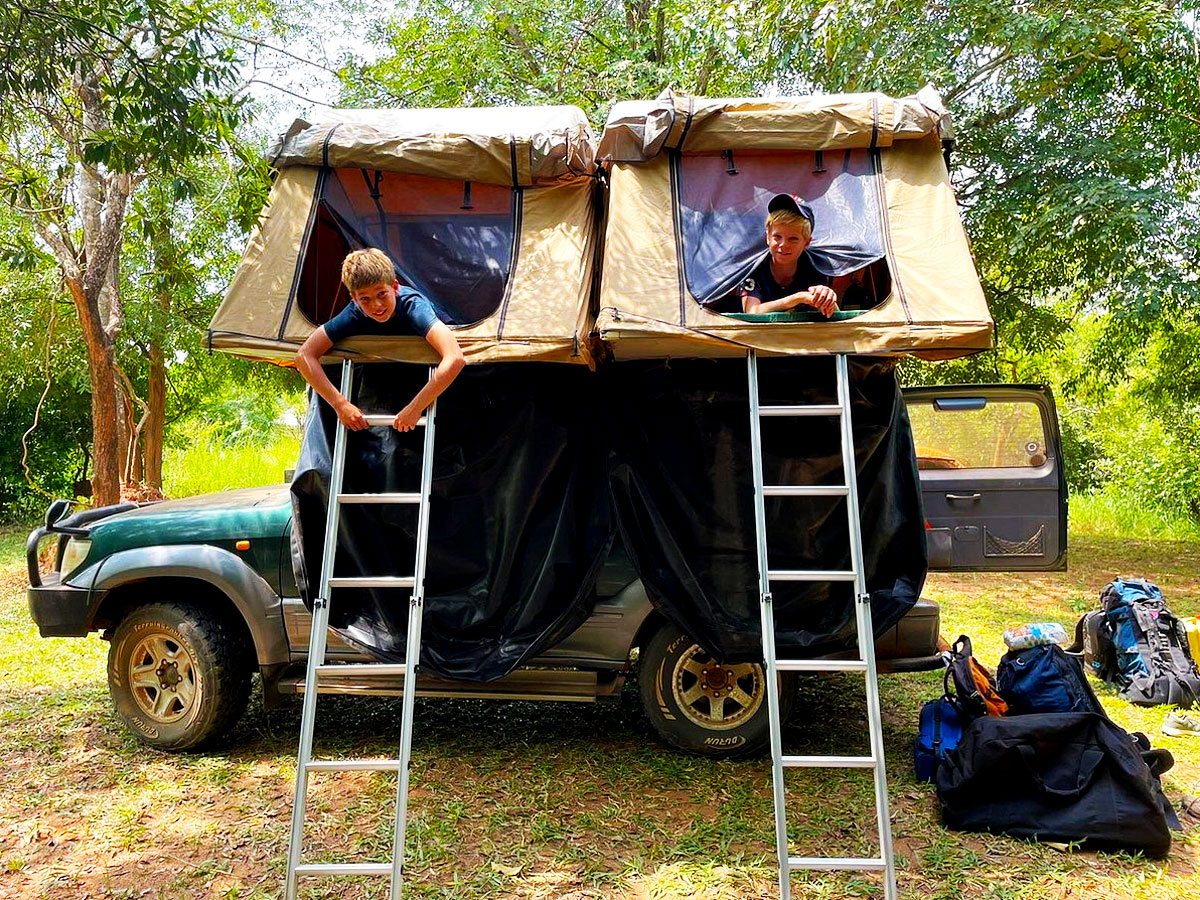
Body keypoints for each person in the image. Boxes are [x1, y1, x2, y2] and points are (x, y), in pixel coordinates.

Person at [295, 248, 465, 432]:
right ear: (354, 299)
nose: (376, 305)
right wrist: (340, 404)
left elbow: (455, 357)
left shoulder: (413, 307)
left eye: (381, 294)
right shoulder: (354, 313)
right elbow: (304, 355)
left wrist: (416, 408)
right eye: (365, 299)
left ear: (395, 287)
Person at [738, 194, 840, 316]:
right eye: (777, 237)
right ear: (768, 238)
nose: (783, 245)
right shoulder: (754, 268)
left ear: (806, 242)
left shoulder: (814, 267)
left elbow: (832, 315)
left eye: (793, 239)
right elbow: (752, 311)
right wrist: (798, 298)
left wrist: (827, 298)